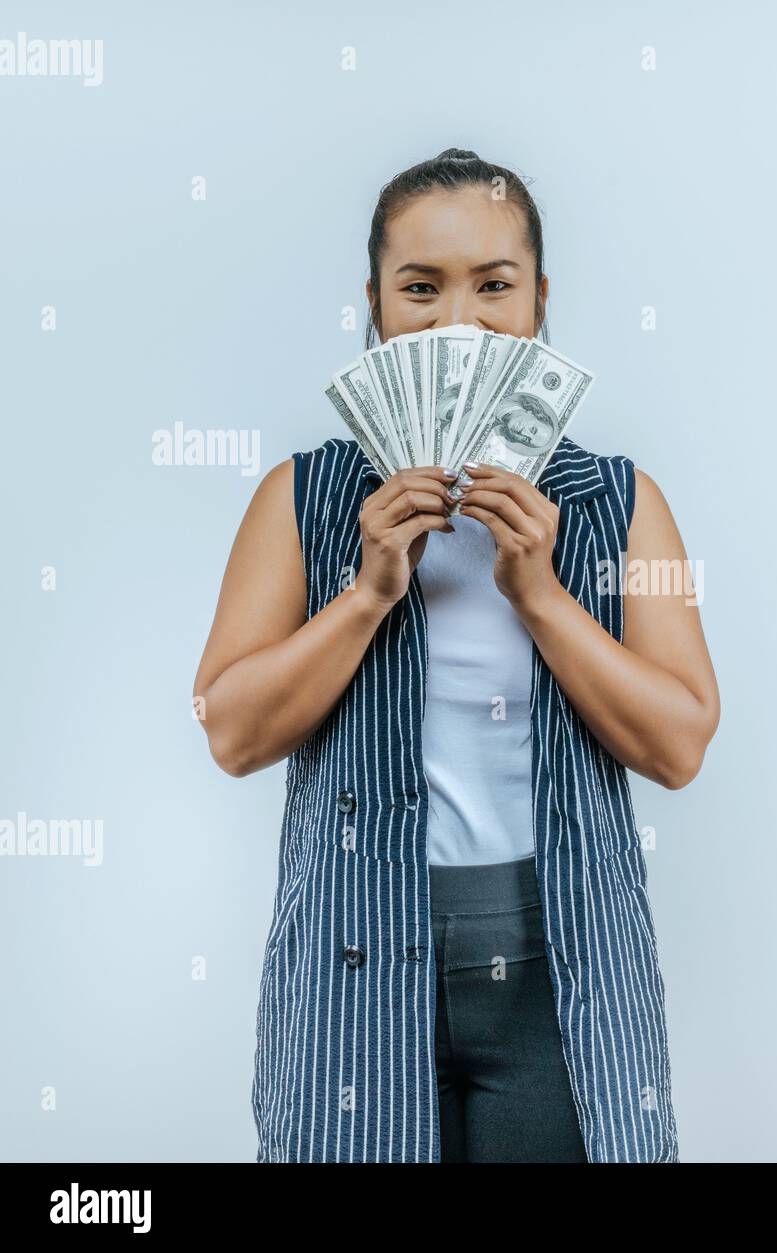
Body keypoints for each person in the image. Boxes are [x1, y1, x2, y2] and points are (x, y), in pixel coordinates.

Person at [192, 147, 720, 1163]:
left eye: (494, 285)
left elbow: (680, 741)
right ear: (376, 306)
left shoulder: (622, 500)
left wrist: (541, 593)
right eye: (420, 288)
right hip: (355, 954)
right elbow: (230, 730)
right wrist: (367, 591)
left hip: (561, 961)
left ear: (540, 300)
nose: (457, 323)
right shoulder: (298, 501)